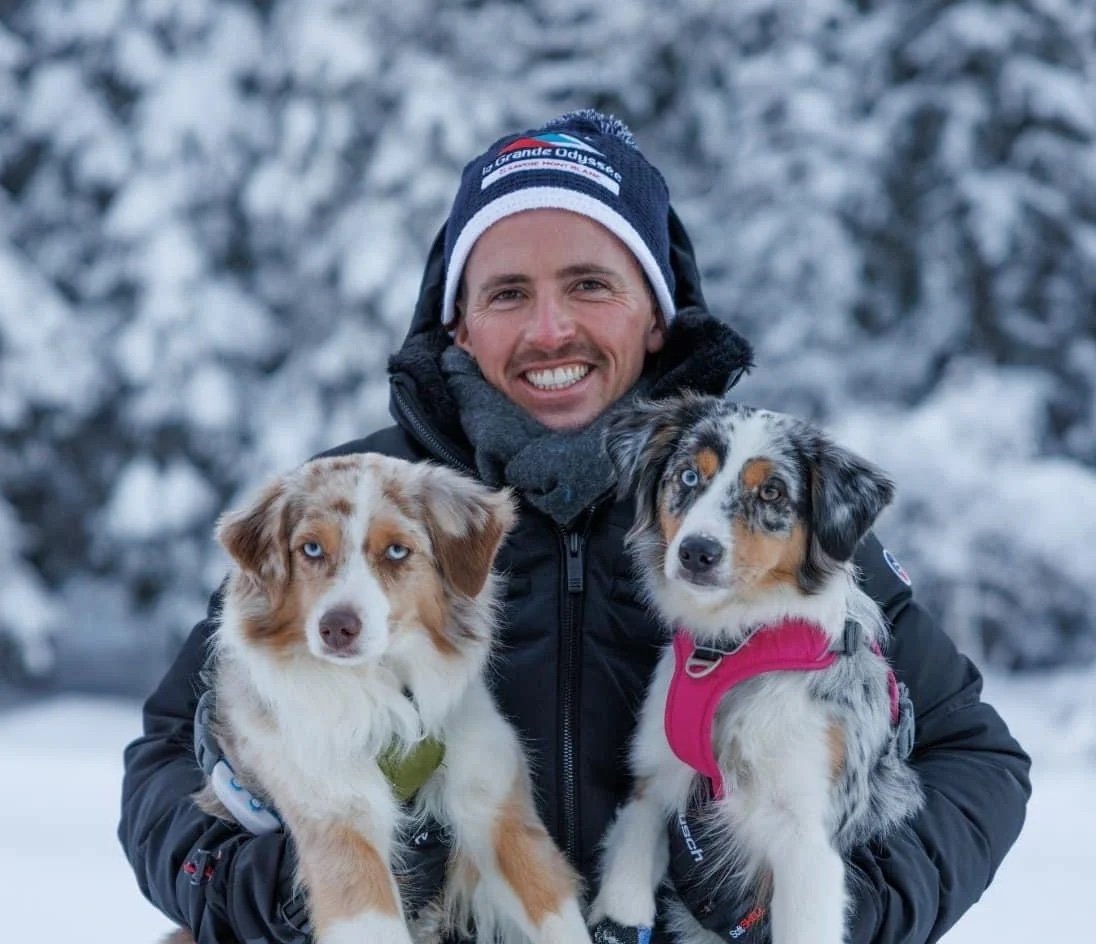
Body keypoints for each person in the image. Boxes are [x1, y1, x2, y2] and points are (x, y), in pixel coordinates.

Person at [118, 109, 1031, 944]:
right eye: (508, 292)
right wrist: (289, 884)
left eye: (591, 284)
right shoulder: (358, 502)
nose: (551, 329)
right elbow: (164, 760)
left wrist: (823, 907)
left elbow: (976, 759)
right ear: (461, 325)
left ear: (657, 313)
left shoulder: (768, 513)